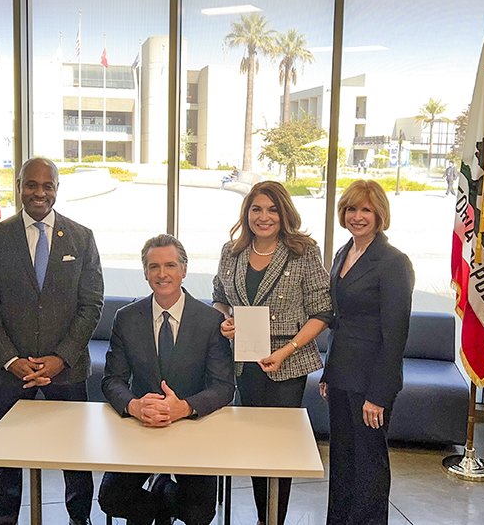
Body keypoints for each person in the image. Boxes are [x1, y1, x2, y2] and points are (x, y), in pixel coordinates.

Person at [0, 157, 104, 525]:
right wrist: (11, 360)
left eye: (48, 186)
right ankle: (5, 521)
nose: (39, 193)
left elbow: (91, 304)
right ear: (19, 186)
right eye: (32, 184)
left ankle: (80, 519)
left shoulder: (81, 237)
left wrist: (61, 357)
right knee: (7, 459)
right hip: (10, 373)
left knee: (75, 456)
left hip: (67, 371)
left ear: (57, 190)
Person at [212, 180, 332, 525]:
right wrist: (225, 319)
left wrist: (287, 350)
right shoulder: (230, 251)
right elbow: (219, 297)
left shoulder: (303, 251)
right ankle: (264, 514)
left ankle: (273, 519)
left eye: (272, 209)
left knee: (278, 449)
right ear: (246, 213)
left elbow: (322, 311)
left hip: (285, 364)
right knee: (252, 445)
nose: (264, 217)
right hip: (243, 362)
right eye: (256, 209)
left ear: (284, 213)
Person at [99, 234, 234, 525]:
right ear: (145, 273)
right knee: (110, 499)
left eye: (170, 265)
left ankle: (162, 488)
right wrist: (134, 406)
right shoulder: (126, 317)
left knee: (199, 513)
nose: (162, 274)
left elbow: (224, 387)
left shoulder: (210, 320)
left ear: (184, 270)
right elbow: (112, 380)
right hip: (141, 426)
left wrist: (183, 408)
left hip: (193, 427)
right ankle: (158, 507)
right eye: (154, 266)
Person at [319, 179, 414, 525]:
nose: (357, 216)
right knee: (342, 459)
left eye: (366, 210)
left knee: (369, 463)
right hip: (342, 375)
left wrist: (378, 394)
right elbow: (339, 321)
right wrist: (329, 374)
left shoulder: (393, 262)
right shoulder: (344, 253)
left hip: (371, 381)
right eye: (351, 209)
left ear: (379, 215)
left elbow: (395, 335)